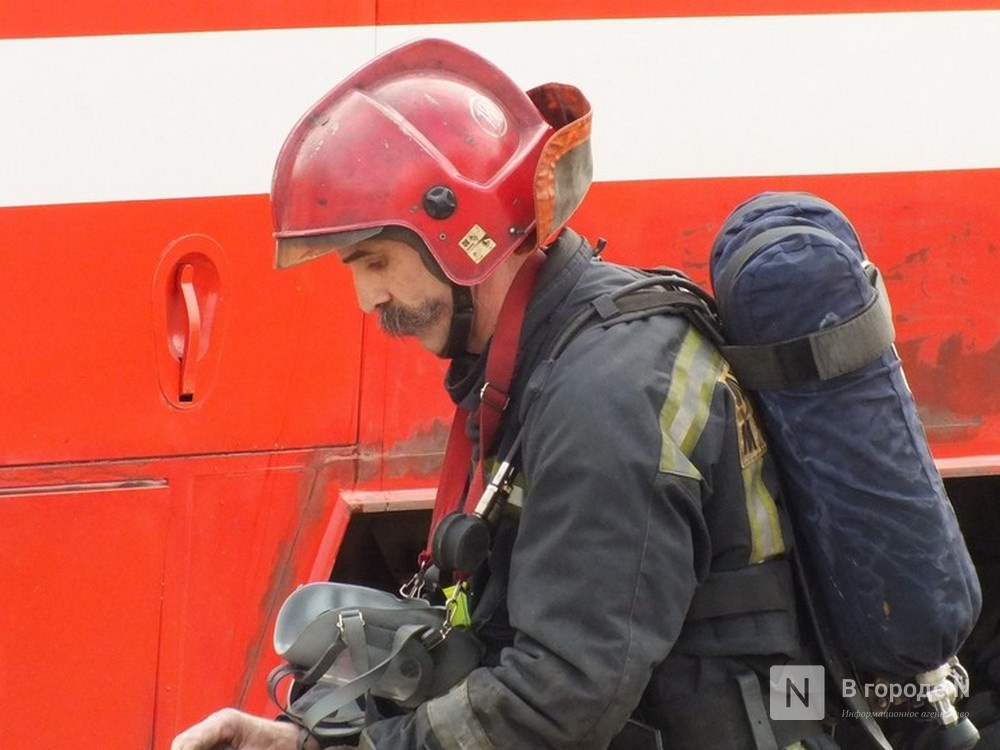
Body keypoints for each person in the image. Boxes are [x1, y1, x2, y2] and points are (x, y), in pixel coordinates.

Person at [173, 38, 832, 750]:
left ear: (463, 237)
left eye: (376, 261)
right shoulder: (542, 361)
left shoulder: (603, 398)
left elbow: (559, 695)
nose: (368, 297)